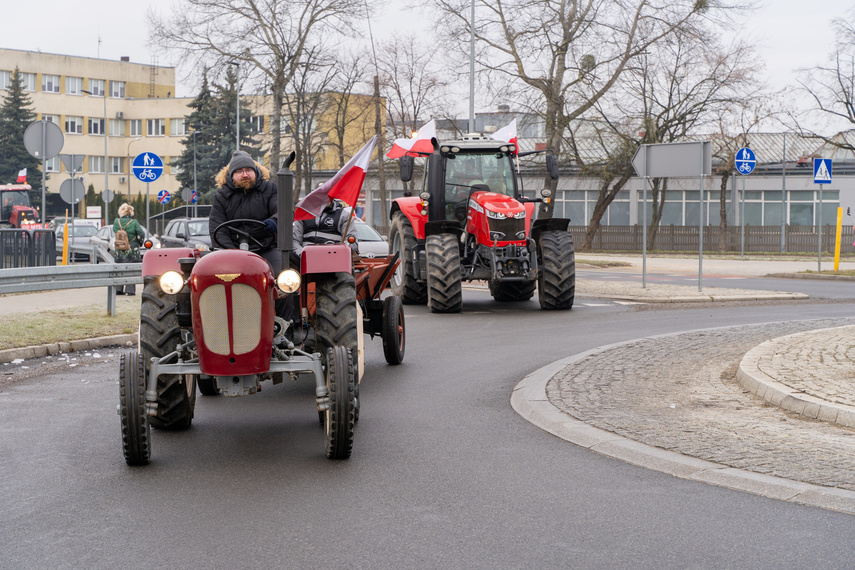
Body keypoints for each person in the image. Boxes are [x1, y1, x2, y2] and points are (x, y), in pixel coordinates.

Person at [209, 150, 280, 271]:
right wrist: (234, 253)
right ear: (231, 176)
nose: (245, 174)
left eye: (248, 170)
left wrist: (275, 220)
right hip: (231, 251)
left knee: (280, 274)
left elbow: (283, 212)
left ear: (255, 171)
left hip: (266, 248)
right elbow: (218, 230)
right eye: (239, 171)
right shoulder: (222, 197)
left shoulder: (271, 189)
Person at [292, 198, 358, 259]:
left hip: (334, 260)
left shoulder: (344, 216)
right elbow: (294, 240)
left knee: (344, 271)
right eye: (321, 195)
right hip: (305, 259)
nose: (324, 198)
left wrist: (339, 252)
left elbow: (352, 242)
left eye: (327, 195)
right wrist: (302, 254)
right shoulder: (303, 214)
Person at [113, 202, 145, 296]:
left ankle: (118, 289)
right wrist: (139, 243)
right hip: (132, 250)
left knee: (119, 269)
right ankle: (130, 290)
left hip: (119, 250)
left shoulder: (116, 222)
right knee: (131, 270)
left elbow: (115, 232)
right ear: (131, 212)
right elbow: (141, 234)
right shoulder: (134, 222)